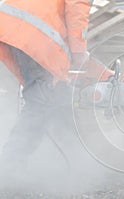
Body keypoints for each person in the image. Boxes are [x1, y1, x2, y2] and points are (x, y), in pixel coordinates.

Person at [0, 0, 93, 178]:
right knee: (40, 101)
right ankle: (9, 168)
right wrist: (79, 51)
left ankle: (76, 157)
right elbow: (77, 8)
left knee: (58, 95)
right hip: (32, 31)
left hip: (16, 26)